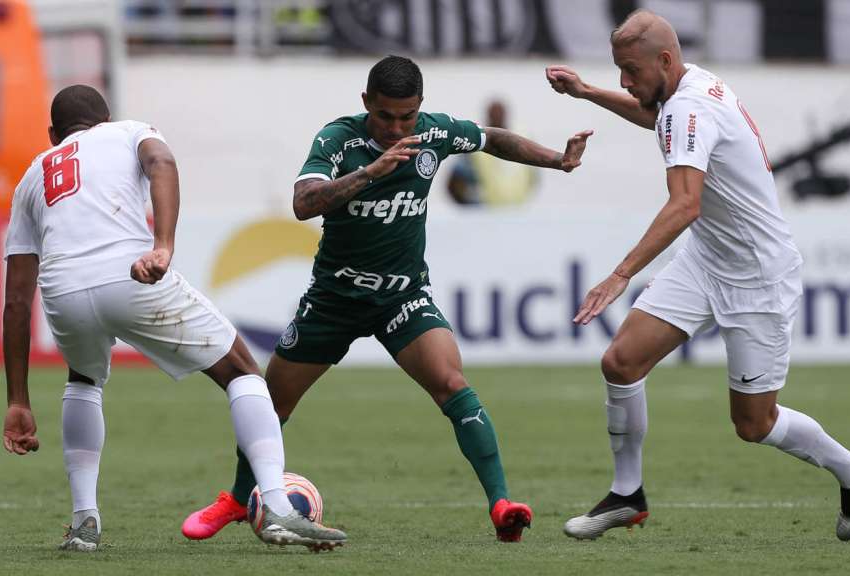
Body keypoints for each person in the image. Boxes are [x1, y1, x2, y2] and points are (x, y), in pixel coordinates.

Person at [181, 55, 593, 543]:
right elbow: (302, 203)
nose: (397, 128)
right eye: (385, 116)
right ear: (365, 104)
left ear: (421, 108)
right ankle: (236, 498)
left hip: (402, 297)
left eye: (407, 117)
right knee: (270, 404)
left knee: (452, 382)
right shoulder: (339, 139)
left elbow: (492, 138)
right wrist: (370, 173)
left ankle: (501, 503)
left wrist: (556, 159)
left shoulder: (434, 135)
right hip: (334, 300)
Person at [545, 10, 850, 541]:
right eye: (618, 72)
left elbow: (685, 206)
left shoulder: (691, 107)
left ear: (663, 59)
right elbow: (653, 115)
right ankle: (627, 493)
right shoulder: (687, 85)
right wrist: (588, 92)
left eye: (630, 72)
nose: (625, 83)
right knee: (621, 361)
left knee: (755, 424)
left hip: (757, 275)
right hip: (707, 261)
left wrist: (620, 275)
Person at [1, 85, 346, 552]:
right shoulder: (126, 132)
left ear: (52, 134)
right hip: (127, 275)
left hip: (63, 293)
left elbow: (17, 300)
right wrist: (162, 244)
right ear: (105, 119)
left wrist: (18, 400)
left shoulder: (31, 177)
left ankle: (85, 522)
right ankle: (278, 507)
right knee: (242, 371)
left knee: (83, 379)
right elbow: (161, 163)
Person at [447, 99, 539, 206]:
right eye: (494, 116)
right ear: (488, 117)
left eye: (500, 116)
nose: (497, 119)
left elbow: (533, 178)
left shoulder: (522, 139)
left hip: (517, 212)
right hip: (486, 215)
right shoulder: (475, 142)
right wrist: (471, 206)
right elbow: (454, 183)